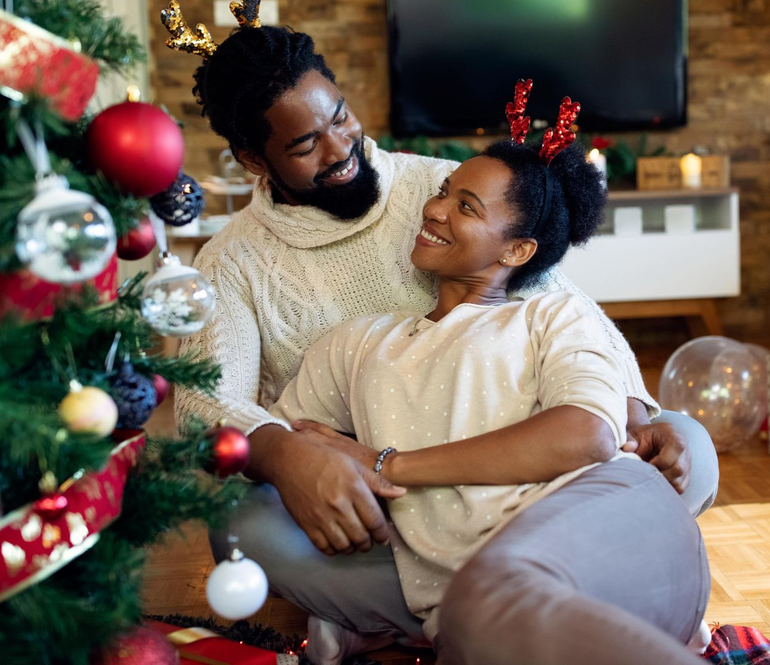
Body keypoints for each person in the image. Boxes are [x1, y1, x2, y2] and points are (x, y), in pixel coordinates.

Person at [168, 6, 718, 654]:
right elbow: (202, 402)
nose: (341, 148)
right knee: (243, 529)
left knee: (688, 449)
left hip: (525, 455)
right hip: (382, 505)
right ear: (253, 159)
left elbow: (558, 299)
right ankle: (547, 600)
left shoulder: (437, 184)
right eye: (304, 144)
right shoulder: (235, 264)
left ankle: (432, 616)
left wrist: (624, 401)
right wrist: (286, 454)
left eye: (340, 116)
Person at [266, 135, 710, 665]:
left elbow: (588, 433)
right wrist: (320, 456)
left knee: (486, 606)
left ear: (517, 250)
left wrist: (389, 465)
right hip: (478, 604)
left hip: (614, 525)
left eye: (466, 206)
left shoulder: (551, 316)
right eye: (443, 192)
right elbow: (279, 437)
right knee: (469, 624)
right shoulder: (357, 344)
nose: (433, 209)